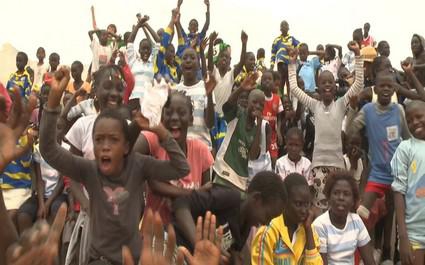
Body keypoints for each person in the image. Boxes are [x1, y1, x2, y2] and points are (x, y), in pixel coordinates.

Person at [39, 67, 190, 265]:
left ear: (127, 145)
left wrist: (161, 131)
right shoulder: (89, 170)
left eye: (113, 140)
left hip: (134, 259)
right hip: (99, 260)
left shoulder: (140, 165)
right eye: (99, 140)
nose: (105, 147)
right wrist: (53, 100)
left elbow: (181, 168)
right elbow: (49, 150)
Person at [288, 43, 363, 211]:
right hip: (318, 166)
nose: (327, 84)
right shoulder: (314, 105)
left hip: (337, 165)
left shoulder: (341, 104)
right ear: (318, 87)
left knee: (336, 207)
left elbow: (358, 84)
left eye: (330, 82)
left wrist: (358, 55)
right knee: (319, 208)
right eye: (323, 82)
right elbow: (294, 88)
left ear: (336, 88)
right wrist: (292, 64)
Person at [347, 71, 411, 263]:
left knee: (400, 216)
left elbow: (407, 138)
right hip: (377, 174)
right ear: (375, 88)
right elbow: (350, 130)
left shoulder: (398, 110)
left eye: (389, 86)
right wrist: (351, 109)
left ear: (393, 90)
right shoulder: (367, 111)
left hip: (398, 174)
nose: (385, 89)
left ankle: (395, 254)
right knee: (361, 215)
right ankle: (358, 257)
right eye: (381, 85)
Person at [133, 90, 214, 225]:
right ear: (161, 117)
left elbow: (205, 197)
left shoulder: (201, 150)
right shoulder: (153, 140)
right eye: (169, 113)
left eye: (182, 113)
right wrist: (193, 193)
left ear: (191, 119)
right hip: (154, 234)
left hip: (186, 236)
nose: (175, 118)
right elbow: (129, 155)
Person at [174, 171, 286, 264]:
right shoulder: (230, 198)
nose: (266, 223)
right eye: (267, 216)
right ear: (256, 198)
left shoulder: (245, 227)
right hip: (174, 245)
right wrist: (199, 243)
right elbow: (181, 203)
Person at [251, 173, 322, 265]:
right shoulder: (268, 230)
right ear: (285, 201)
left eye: (307, 204)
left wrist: (308, 230)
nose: (304, 211)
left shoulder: (308, 228)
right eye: (298, 204)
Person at [213, 74, 267, 193]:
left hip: (240, 180)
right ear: (248, 102)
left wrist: (258, 127)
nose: (257, 106)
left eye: (261, 105)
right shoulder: (238, 114)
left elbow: (253, 155)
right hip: (224, 171)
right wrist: (241, 88)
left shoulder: (258, 129)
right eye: (254, 102)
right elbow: (227, 106)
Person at [313, 171, 375, 265]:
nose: (341, 198)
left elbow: (370, 261)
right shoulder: (320, 225)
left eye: (346, 194)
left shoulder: (356, 221)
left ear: (353, 200)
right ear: (328, 197)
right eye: (336, 193)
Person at [391, 100, 425, 265]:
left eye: (419, 117)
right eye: (409, 120)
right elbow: (398, 193)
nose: (414, 123)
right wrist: (402, 236)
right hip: (414, 233)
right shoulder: (405, 148)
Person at [208, 30, 246, 151]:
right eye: (221, 56)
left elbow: (242, 62)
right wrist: (210, 43)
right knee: (211, 145)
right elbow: (209, 60)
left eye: (227, 57)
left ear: (230, 61)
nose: (224, 59)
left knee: (221, 146)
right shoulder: (213, 71)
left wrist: (244, 43)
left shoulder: (231, 75)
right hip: (211, 116)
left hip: (224, 117)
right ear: (217, 60)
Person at [175, 47, 215, 149]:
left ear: (198, 65)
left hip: (203, 147)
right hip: (181, 148)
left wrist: (209, 95)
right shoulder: (175, 90)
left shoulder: (205, 87)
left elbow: (210, 124)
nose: (188, 60)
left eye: (192, 58)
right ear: (181, 65)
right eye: (185, 58)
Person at [126, 15, 158, 101]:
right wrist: (139, 24)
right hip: (134, 100)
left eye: (148, 49)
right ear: (139, 50)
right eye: (143, 49)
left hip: (149, 102)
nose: (146, 51)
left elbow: (158, 41)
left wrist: (146, 25)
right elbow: (130, 42)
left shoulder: (152, 62)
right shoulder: (133, 61)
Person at [270, 20, 300, 96]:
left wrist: (293, 50)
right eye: (282, 25)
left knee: (289, 81)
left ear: (288, 28)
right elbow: (273, 53)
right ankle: (281, 98)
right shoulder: (276, 40)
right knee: (281, 81)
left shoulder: (292, 39)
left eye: (286, 25)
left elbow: (299, 46)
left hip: (289, 63)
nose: (284, 27)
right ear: (280, 28)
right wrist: (272, 65)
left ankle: (289, 99)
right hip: (280, 63)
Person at [261, 70, 283, 165]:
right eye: (264, 79)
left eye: (269, 79)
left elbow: (280, 117)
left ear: (274, 82)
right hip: (261, 135)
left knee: (274, 160)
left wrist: (278, 131)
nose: (267, 81)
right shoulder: (259, 96)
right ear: (261, 82)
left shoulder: (277, 98)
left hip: (273, 136)